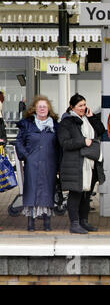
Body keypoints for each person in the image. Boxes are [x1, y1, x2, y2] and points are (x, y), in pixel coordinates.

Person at [58, 93, 105, 234]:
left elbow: (101, 131)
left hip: (90, 163)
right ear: (72, 107)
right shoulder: (67, 122)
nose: (83, 108)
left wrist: (92, 117)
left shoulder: (87, 119)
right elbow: (64, 143)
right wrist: (83, 141)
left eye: (84, 105)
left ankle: (84, 222)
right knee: (76, 194)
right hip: (75, 163)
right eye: (80, 106)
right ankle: (74, 223)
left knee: (86, 194)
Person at [15, 96, 59, 232]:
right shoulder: (27, 124)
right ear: (34, 109)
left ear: (48, 109)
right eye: (39, 106)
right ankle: (30, 222)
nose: (42, 109)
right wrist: (26, 156)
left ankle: (47, 222)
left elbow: (59, 146)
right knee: (31, 191)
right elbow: (19, 142)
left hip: (49, 164)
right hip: (32, 164)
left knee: (47, 191)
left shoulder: (55, 126)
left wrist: (59, 163)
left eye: (44, 106)